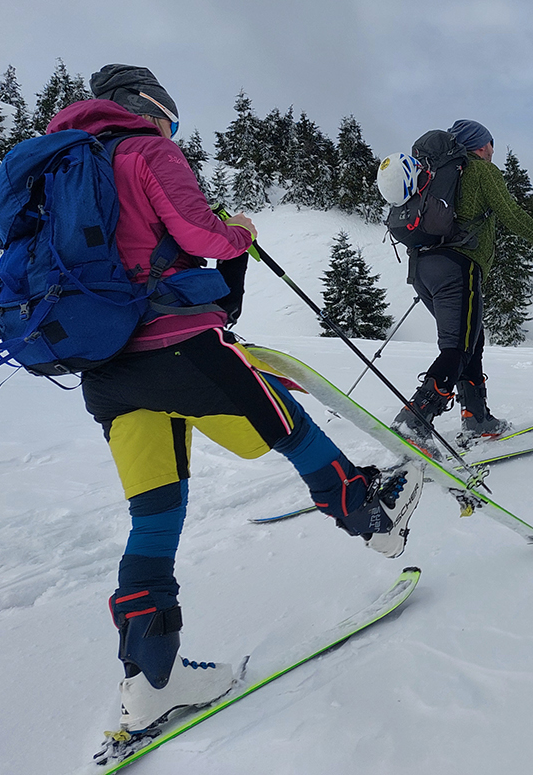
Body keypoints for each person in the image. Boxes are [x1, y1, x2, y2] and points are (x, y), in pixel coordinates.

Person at [51, 65, 423, 740]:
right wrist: (238, 233)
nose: (172, 132)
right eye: (171, 120)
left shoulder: (56, 170)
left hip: (104, 370)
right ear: (150, 108)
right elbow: (204, 239)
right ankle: (371, 516)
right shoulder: (145, 150)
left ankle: (151, 682)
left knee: (154, 513)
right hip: (179, 346)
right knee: (290, 426)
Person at [385, 119, 533, 443]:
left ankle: (476, 417)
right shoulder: (481, 171)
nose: (493, 151)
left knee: (470, 343)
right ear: (482, 145)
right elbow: (511, 215)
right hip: (458, 267)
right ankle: (414, 420)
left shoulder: (436, 174)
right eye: (491, 144)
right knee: (458, 348)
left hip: (422, 269)